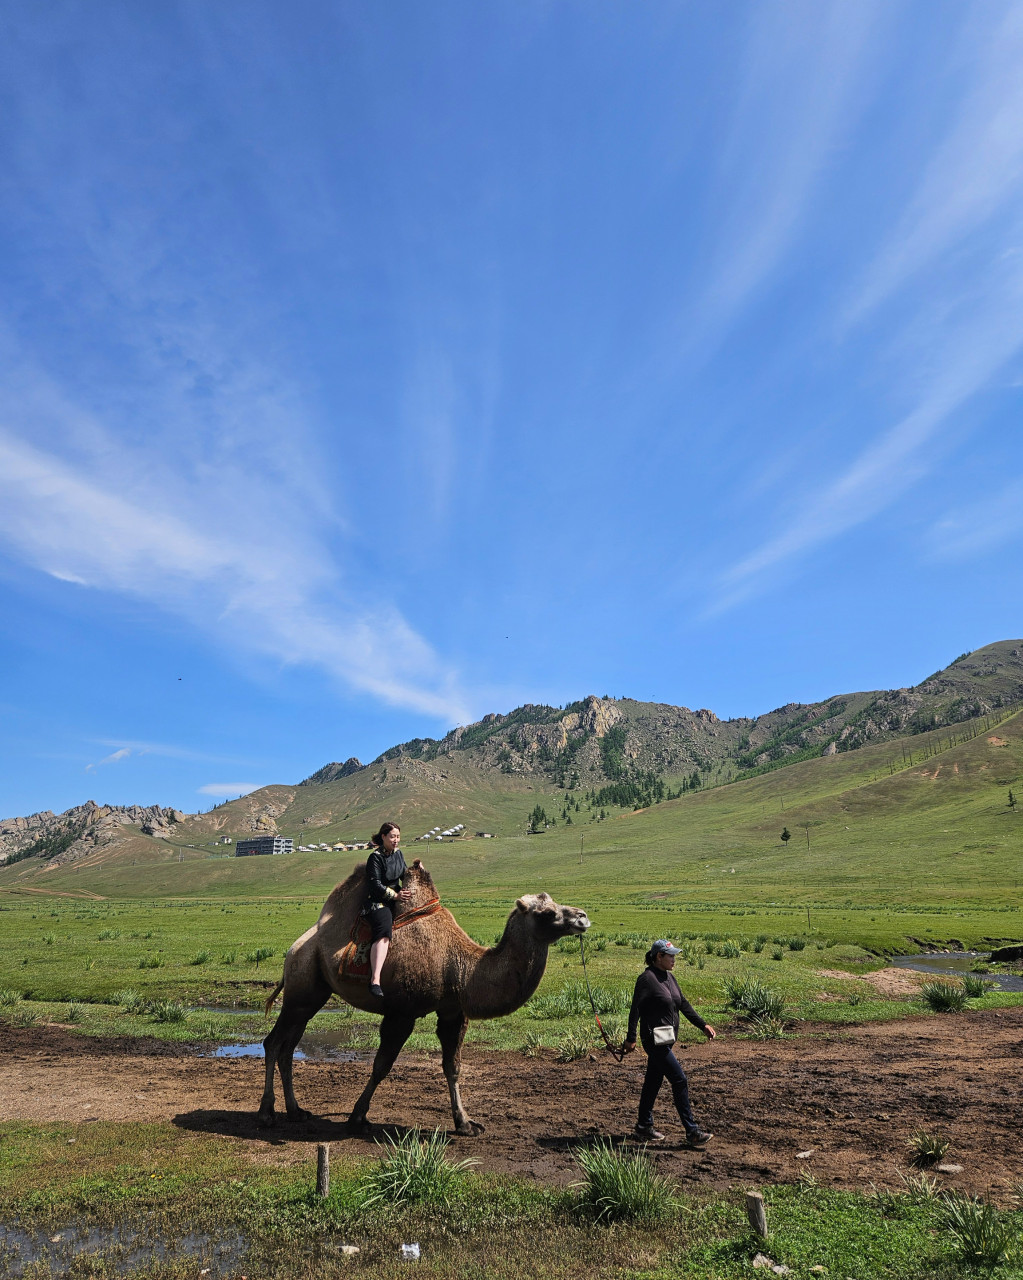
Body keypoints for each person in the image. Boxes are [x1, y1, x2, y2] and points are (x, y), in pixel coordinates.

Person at [622, 939, 716, 1145]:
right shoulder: (646, 979)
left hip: (667, 1039)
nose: (674, 959)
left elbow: (683, 1004)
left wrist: (703, 1025)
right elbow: (635, 1010)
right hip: (654, 1040)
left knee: (653, 1082)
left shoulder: (670, 978)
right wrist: (631, 1038)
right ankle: (692, 1131)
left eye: (674, 955)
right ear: (659, 957)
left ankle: (643, 1126)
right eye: (670, 956)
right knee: (679, 1079)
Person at [363, 822, 411, 998]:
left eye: (398, 836)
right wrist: (396, 896)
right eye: (392, 836)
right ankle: (375, 980)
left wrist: (417, 872)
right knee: (384, 930)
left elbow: (404, 873)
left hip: (397, 896)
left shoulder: (398, 854)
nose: (396, 840)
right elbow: (375, 884)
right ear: (383, 837)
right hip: (378, 901)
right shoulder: (375, 858)